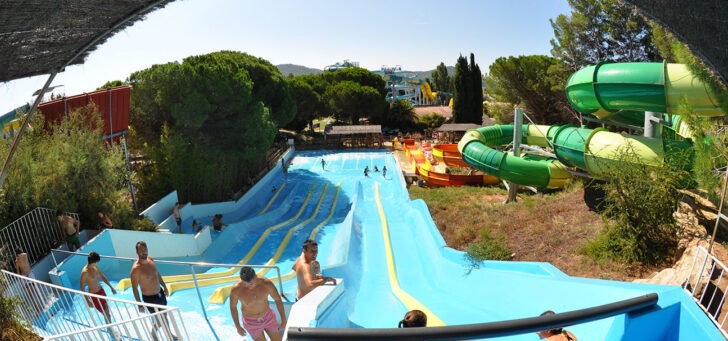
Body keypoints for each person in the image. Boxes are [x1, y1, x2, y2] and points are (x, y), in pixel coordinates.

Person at [130, 241, 176, 339]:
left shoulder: (150, 260)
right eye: (141, 250)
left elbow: (157, 274)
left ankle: (169, 334)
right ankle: (153, 336)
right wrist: (139, 304)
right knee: (160, 320)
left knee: (164, 315)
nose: (144, 251)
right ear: (137, 252)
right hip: (150, 298)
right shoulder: (136, 269)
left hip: (160, 293)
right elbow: (134, 288)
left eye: (145, 249)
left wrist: (164, 286)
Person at [229, 266, 287, 341]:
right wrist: (237, 326)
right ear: (242, 280)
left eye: (251, 284)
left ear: (255, 277)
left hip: (268, 317)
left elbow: (277, 299)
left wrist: (283, 318)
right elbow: (233, 307)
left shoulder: (266, 284)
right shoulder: (236, 290)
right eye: (246, 284)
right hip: (251, 322)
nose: (249, 286)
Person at [80, 251, 117, 324]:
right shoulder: (85, 272)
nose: (97, 263)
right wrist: (87, 301)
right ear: (93, 262)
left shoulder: (95, 267)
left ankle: (109, 327)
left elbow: (102, 276)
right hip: (94, 295)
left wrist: (111, 287)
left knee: (107, 312)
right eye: (97, 262)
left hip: (101, 291)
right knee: (107, 315)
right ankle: (110, 329)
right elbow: (81, 287)